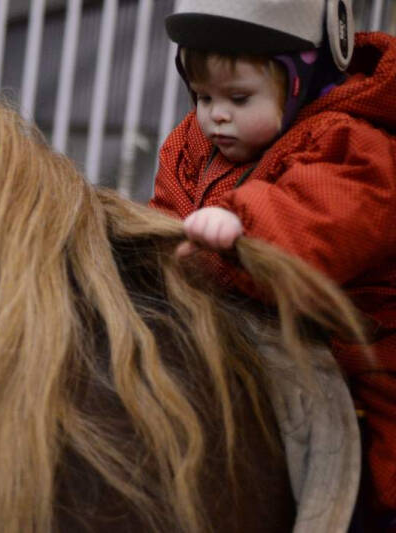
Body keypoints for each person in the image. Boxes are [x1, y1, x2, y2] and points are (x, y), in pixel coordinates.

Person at [149, 0, 396, 526]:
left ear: (304, 79)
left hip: (362, 345)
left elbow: (317, 223)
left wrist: (241, 231)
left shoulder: (353, 143)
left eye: (239, 97)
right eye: (202, 96)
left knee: (388, 464)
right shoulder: (193, 143)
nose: (216, 114)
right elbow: (168, 214)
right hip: (252, 328)